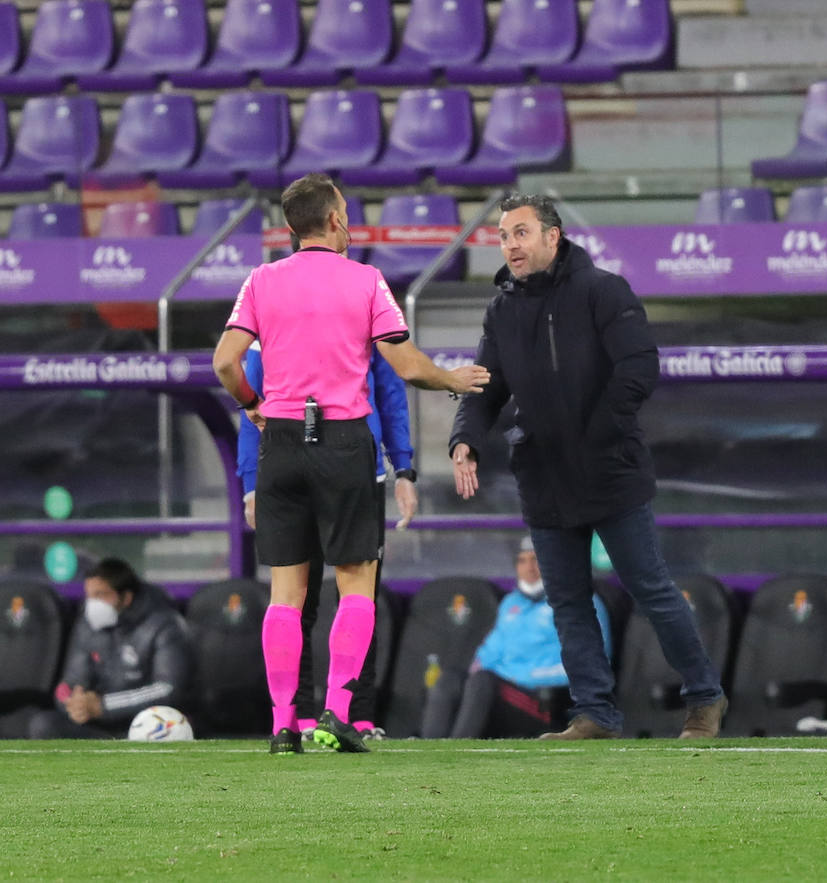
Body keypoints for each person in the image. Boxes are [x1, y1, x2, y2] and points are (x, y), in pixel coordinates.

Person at [212, 173, 490, 755]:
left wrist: (254, 408)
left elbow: (224, 363)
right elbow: (406, 365)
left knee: (286, 593)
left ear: (291, 228)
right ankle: (338, 713)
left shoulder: (261, 281)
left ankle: (284, 725)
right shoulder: (366, 281)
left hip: (281, 442)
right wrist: (452, 379)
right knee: (355, 583)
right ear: (337, 221)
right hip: (342, 442)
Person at [449, 194, 727, 740]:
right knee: (568, 600)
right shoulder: (501, 308)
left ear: (553, 237)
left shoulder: (603, 291)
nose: (511, 245)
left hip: (610, 469)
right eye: (504, 236)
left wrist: (597, 433)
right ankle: (594, 713)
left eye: (521, 233)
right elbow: (486, 385)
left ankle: (705, 698)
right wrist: (465, 441)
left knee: (650, 587)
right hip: (544, 475)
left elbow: (639, 367)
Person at [238, 339, 416, 740]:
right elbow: (252, 394)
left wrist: (403, 467)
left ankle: (348, 715)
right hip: (346, 465)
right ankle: (310, 714)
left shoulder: (270, 311)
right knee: (343, 597)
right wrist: (251, 482)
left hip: (337, 471)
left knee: (305, 596)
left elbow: (389, 392)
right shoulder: (362, 308)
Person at [419, 537, 612, 739]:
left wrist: (520, 676)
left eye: (536, 559)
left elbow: (590, 666)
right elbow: (490, 651)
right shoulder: (511, 603)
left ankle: (458, 752)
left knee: (482, 683)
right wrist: (476, 671)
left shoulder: (580, 603)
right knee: (449, 680)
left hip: (546, 701)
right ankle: (428, 753)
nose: (529, 567)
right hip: (497, 690)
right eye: (522, 560)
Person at [28, 558, 193, 739]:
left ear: (126, 597)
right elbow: (70, 682)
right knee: (43, 724)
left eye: (100, 595)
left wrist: (104, 705)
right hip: (100, 726)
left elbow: (167, 688)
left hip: (145, 723)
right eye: (89, 595)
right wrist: (73, 704)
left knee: (165, 727)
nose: (92, 603)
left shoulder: (165, 624)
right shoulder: (88, 623)